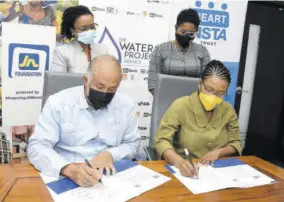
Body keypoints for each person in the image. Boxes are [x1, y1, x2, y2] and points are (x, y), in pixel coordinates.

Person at [28, 54, 140, 187]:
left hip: (110, 177)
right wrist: (68, 169)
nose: (104, 93)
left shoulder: (125, 105)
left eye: (112, 89)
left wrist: (111, 154)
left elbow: (132, 143)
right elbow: (38, 146)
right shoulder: (58, 103)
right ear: (86, 81)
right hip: (67, 177)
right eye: (100, 87)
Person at [154, 60, 242, 177]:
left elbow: (236, 143)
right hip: (187, 169)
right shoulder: (181, 105)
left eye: (220, 94)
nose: (213, 97)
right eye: (209, 90)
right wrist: (179, 162)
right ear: (200, 84)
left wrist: (219, 152)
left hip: (218, 171)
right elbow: (161, 141)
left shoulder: (228, 110)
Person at [148, 8, 211, 95]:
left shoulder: (202, 51)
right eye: (183, 32)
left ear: (196, 32)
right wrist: (165, 101)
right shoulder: (160, 50)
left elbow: (208, 83)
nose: (186, 36)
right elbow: (153, 84)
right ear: (176, 28)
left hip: (194, 103)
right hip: (166, 103)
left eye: (191, 34)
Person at [51, 5, 108, 73]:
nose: (89, 31)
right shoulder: (62, 52)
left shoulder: (102, 49)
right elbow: (57, 81)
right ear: (72, 30)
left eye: (92, 27)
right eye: (84, 28)